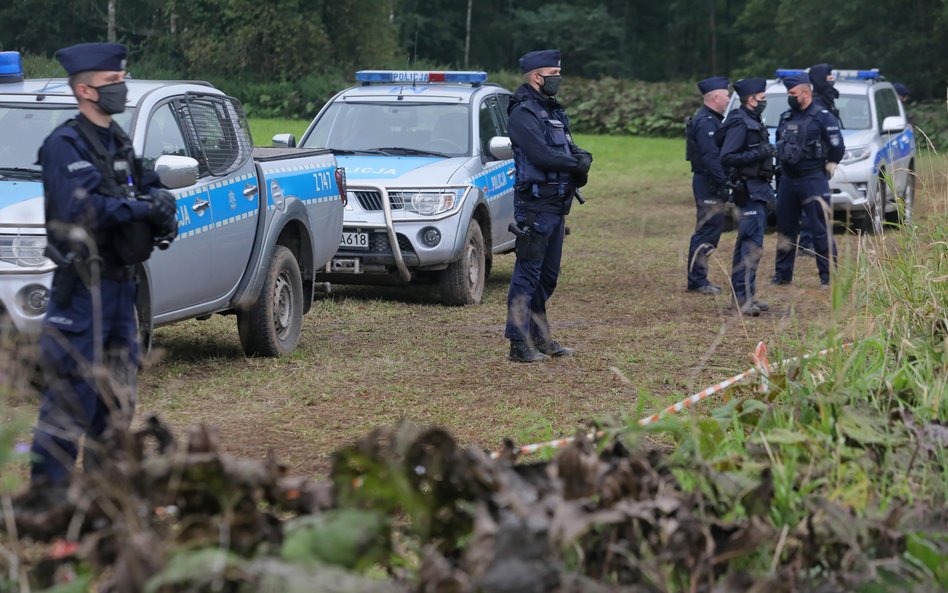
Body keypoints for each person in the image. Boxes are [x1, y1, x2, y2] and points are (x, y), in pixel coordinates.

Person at [29, 42, 178, 486]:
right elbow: (85, 210)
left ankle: (101, 498)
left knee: (116, 401)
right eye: (111, 82)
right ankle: (49, 501)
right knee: (70, 400)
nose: (121, 87)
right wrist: (141, 208)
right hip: (80, 292)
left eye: (121, 78)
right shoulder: (64, 145)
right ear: (84, 91)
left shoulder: (116, 140)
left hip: (120, 291)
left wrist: (161, 202)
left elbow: (142, 185)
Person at [504, 49, 592, 363]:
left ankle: (541, 338)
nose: (558, 79)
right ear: (536, 76)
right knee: (527, 274)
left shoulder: (551, 110)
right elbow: (541, 155)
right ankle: (518, 342)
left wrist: (582, 158)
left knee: (547, 277)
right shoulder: (523, 112)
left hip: (556, 204)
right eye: (553, 75)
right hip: (535, 205)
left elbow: (567, 147)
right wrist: (576, 164)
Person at [771, 74, 844, 288]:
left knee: (819, 229)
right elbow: (779, 143)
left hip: (813, 178)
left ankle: (828, 277)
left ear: (806, 93)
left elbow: (837, 145)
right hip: (788, 180)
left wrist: (831, 163)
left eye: (793, 93)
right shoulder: (786, 117)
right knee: (786, 228)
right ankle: (782, 275)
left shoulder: (822, 116)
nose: (790, 97)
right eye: (788, 93)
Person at [718, 78, 776, 316]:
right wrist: (759, 153)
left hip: (758, 189)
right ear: (752, 99)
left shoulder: (753, 119)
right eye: (762, 98)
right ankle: (743, 300)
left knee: (750, 244)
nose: (764, 102)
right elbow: (727, 156)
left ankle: (746, 296)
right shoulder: (740, 123)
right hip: (748, 190)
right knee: (750, 246)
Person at [685, 76, 730, 295]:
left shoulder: (713, 119)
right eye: (726, 95)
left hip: (709, 179)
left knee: (711, 229)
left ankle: (698, 278)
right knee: (707, 230)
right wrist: (722, 183)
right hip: (707, 181)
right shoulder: (706, 122)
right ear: (715, 97)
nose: (729, 99)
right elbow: (711, 157)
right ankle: (697, 280)